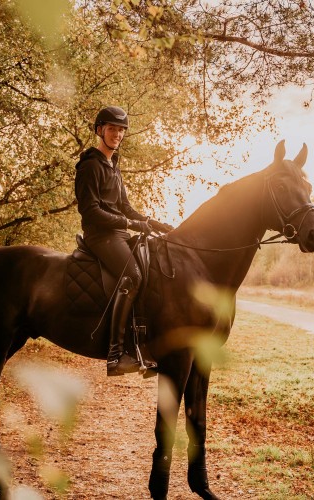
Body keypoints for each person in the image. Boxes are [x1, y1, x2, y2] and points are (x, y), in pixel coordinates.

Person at [74, 106, 174, 376]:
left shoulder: (113, 167)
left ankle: (143, 347)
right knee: (132, 275)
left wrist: (152, 223)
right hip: (99, 236)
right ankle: (116, 354)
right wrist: (131, 224)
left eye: (120, 130)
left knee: (150, 271)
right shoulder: (90, 166)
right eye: (112, 128)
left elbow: (125, 207)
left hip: (117, 234)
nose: (117, 134)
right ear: (99, 130)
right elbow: (91, 210)